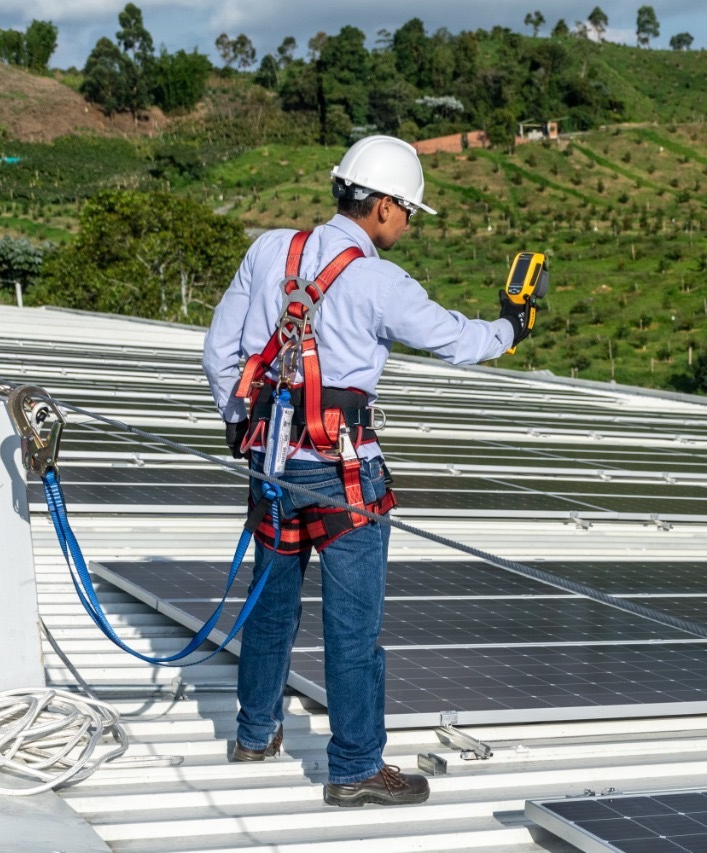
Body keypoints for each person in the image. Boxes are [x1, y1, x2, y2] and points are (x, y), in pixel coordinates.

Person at [202, 135, 533, 807]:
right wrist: (512, 325)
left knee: (269, 607)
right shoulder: (380, 280)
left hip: (271, 465)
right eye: (408, 210)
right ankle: (354, 766)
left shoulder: (269, 249)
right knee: (352, 627)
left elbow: (220, 351)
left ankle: (253, 731)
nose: (408, 223)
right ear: (382, 205)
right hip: (346, 476)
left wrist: (241, 425)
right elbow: (457, 341)